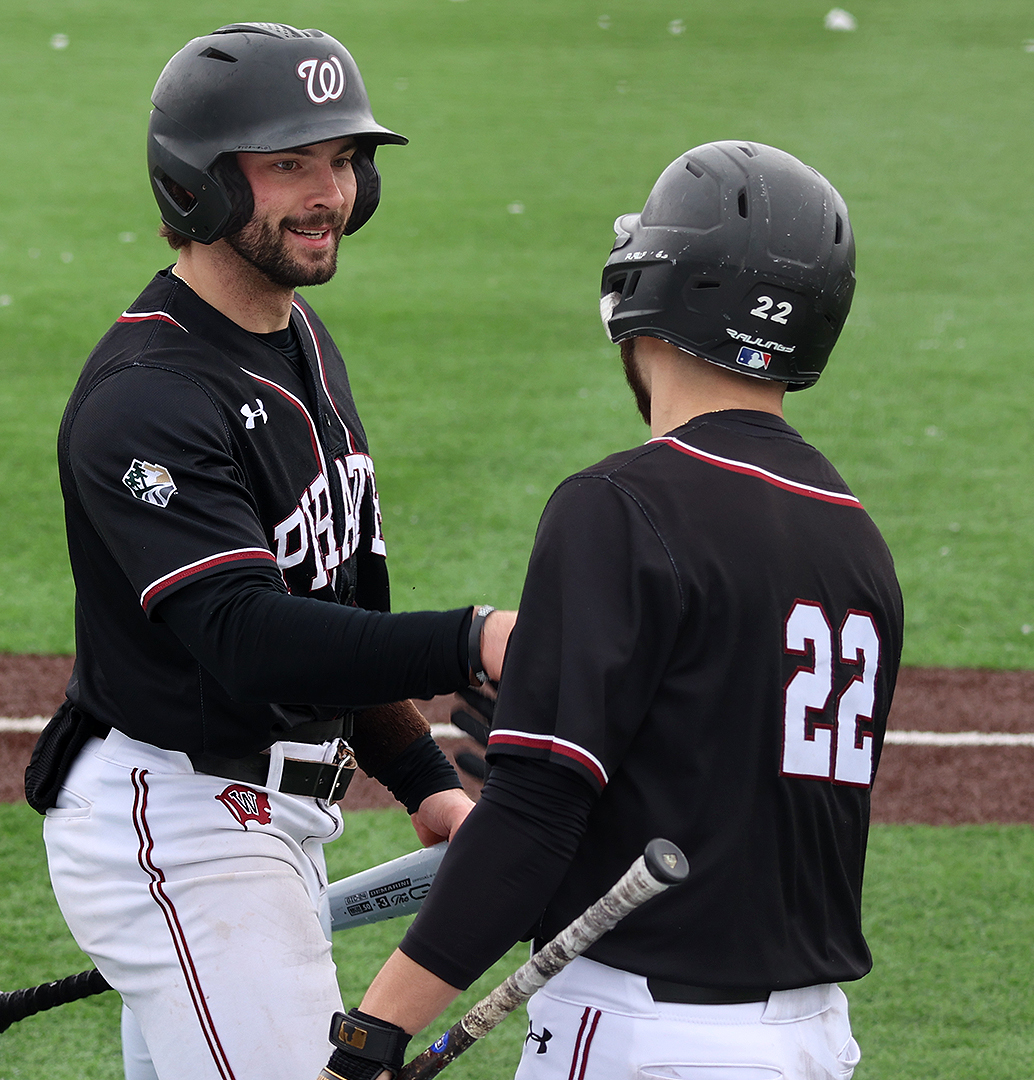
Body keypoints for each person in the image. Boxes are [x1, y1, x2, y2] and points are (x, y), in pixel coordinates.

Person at [320, 141, 903, 1080]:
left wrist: (371, 1034)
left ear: (657, 290)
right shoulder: (853, 537)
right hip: (811, 1042)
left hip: (648, 1037)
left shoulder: (624, 505)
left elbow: (536, 814)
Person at [32, 23, 516, 1080]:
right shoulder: (148, 401)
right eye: (290, 163)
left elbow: (337, 623)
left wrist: (427, 780)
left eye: (342, 161)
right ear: (198, 184)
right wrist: (477, 642)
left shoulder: (295, 337)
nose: (329, 194)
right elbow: (249, 638)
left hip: (270, 820)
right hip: (186, 827)